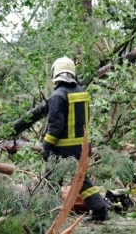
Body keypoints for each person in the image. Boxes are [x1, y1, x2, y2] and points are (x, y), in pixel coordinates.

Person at [42, 56, 108, 222]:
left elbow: (55, 125)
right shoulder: (82, 93)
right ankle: (100, 210)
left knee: (52, 179)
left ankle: (48, 212)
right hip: (82, 146)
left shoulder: (58, 95)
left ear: (56, 72)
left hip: (62, 147)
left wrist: (46, 145)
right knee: (81, 179)